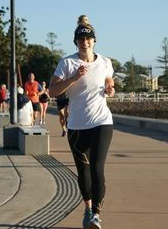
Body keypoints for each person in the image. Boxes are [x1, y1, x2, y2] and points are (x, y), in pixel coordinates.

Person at [49, 15, 115, 229]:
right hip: (77, 125)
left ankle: (96, 214)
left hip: (102, 121)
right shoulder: (67, 63)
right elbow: (52, 91)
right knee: (83, 172)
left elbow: (108, 79)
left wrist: (110, 88)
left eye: (88, 39)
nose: (84, 42)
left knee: (97, 168)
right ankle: (87, 209)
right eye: (80, 39)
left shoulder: (105, 62)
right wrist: (74, 78)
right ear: (76, 42)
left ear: (94, 40)